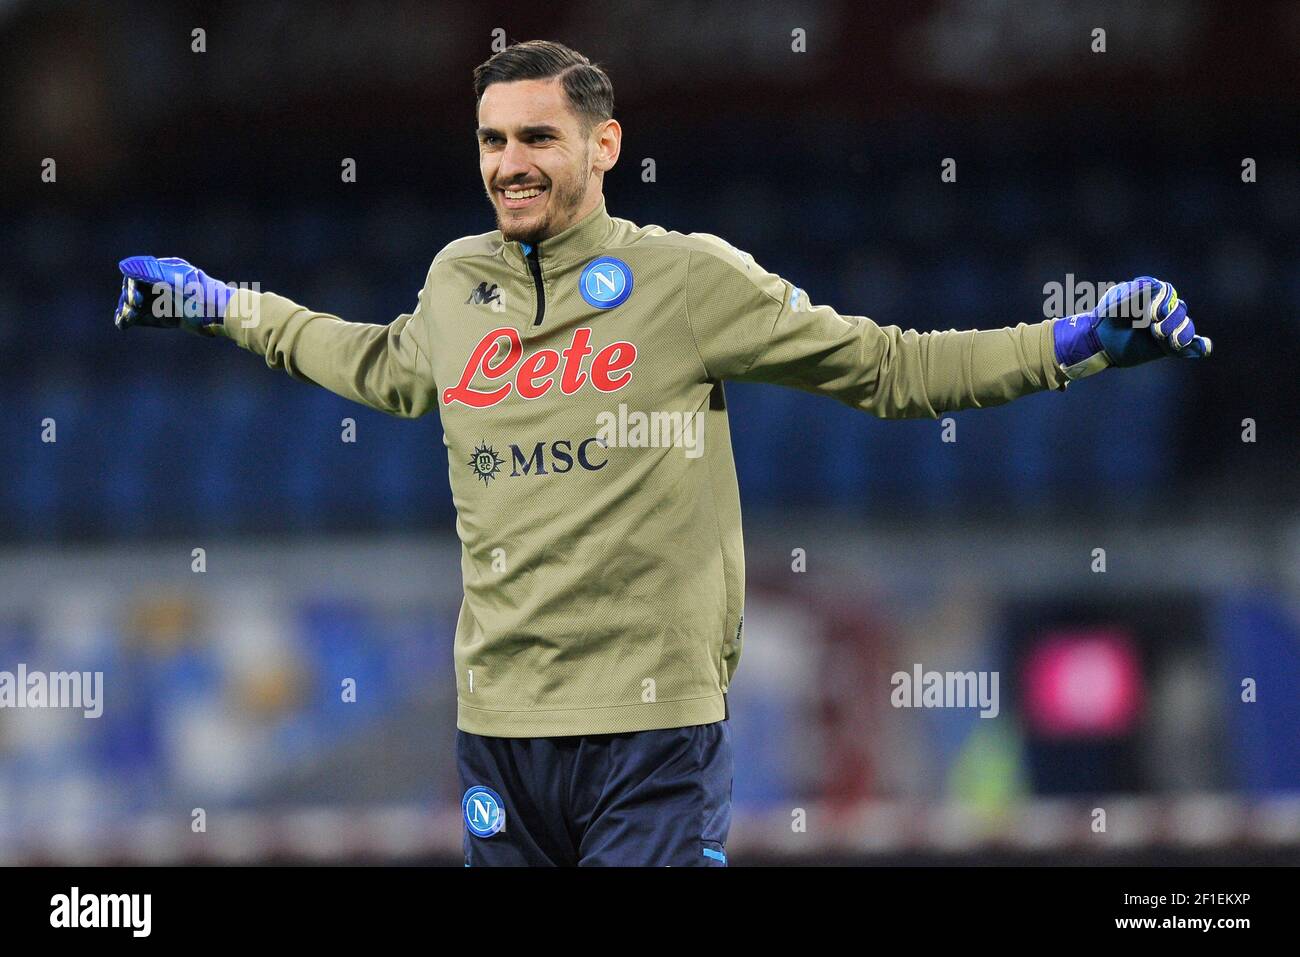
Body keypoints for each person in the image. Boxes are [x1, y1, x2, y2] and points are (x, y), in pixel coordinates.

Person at [111, 39, 1211, 866]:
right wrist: (221, 305)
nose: (509, 164)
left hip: (651, 732)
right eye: (492, 141)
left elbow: (886, 369)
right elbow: (371, 363)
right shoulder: (457, 283)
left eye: (536, 137)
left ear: (603, 145)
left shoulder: (686, 281)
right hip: (500, 729)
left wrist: (1071, 344)